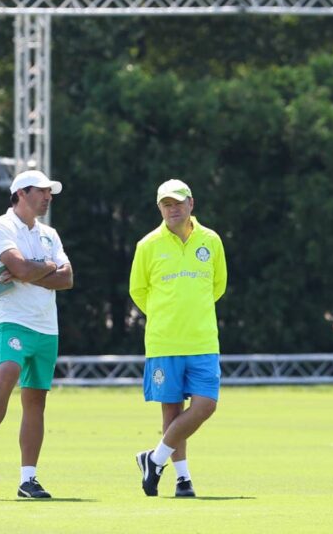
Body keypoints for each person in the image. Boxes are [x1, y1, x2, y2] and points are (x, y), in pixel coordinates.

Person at [0, 169, 74, 499]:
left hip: (47, 326)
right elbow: (21, 268)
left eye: (50, 192)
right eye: (41, 191)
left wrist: (32, 270)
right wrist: (45, 267)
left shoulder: (50, 234)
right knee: (7, 371)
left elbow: (67, 279)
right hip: (12, 319)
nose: (48, 197)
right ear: (21, 194)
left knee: (36, 401)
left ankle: (28, 479)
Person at [129, 179, 227, 498]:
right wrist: (165, 314)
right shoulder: (147, 245)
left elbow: (218, 285)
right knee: (171, 412)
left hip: (203, 340)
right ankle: (182, 479)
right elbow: (138, 291)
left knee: (206, 405)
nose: (173, 209)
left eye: (178, 203)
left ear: (191, 204)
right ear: (160, 208)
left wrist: (192, 311)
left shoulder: (211, 240)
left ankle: (154, 459)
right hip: (164, 342)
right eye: (166, 204)